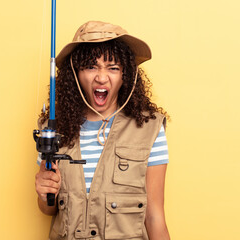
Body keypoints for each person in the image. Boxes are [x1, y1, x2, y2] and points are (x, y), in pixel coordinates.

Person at [35, 21, 170, 240]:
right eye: (90, 66)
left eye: (113, 67)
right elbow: (49, 209)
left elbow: (155, 216)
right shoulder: (52, 132)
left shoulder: (149, 129)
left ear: (126, 74)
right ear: (75, 74)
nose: (101, 77)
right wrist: (44, 192)